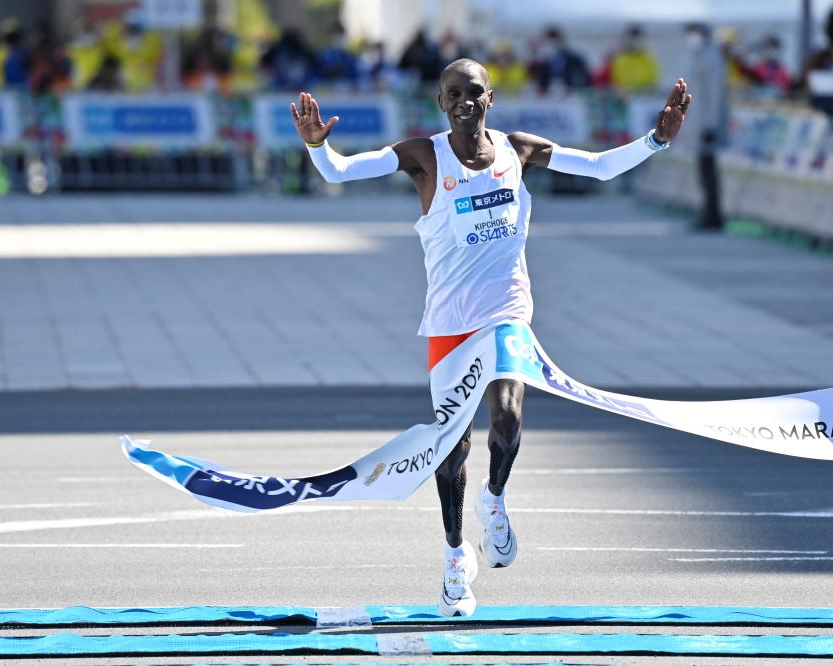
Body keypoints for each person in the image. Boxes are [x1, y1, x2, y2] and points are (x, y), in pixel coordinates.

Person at [292, 59, 690, 616]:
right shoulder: (423, 156)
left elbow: (598, 167)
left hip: (505, 313)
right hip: (449, 324)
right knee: (451, 448)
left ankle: (495, 500)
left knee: (506, 418)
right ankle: (456, 559)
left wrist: (656, 140)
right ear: (440, 102)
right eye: (453, 93)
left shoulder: (518, 151)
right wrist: (317, 148)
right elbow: (339, 173)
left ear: (490, 98)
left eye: (474, 92)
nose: (465, 101)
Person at [685, 23, 726, 230]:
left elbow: (715, 95)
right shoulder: (698, 57)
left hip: (707, 125)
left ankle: (713, 215)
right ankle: (709, 212)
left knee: (709, 171)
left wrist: (711, 124)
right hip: (700, 124)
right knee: (703, 171)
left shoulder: (711, 58)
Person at [538, 27, 590, 92]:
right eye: (549, 40)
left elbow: (581, 73)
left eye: (553, 40)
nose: (551, 43)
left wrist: (576, 87)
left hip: (569, 91)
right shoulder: (545, 60)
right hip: (550, 93)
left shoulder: (571, 57)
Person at [610, 25, 660, 92]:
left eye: (638, 40)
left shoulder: (647, 57)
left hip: (648, 93)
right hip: (627, 95)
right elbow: (618, 80)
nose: (636, 43)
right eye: (633, 40)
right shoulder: (621, 59)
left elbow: (655, 75)